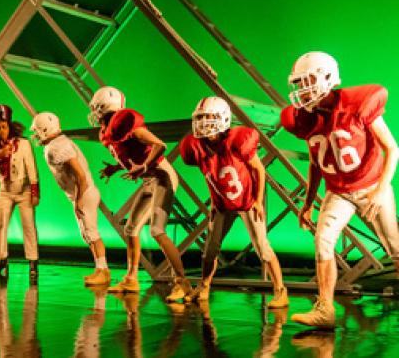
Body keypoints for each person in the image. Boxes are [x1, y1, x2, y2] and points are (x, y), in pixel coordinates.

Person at [281, 51, 399, 329]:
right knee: (322, 241)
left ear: (326, 77)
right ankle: (325, 309)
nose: (301, 89)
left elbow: (392, 148)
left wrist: (381, 190)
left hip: (370, 185)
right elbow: (315, 163)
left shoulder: (357, 104)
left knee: (394, 247)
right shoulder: (305, 119)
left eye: (307, 80)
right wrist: (308, 202)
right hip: (338, 191)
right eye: (298, 83)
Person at [179, 96, 288, 308]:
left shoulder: (237, 140)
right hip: (222, 205)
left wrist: (257, 200)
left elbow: (259, 169)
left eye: (209, 117)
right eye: (201, 118)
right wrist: (213, 202)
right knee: (210, 251)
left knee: (263, 249)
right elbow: (210, 176)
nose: (204, 123)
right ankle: (204, 286)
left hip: (246, 201)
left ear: (223, 118)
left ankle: (280, 290)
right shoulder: (196, 147)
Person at [88, 86, 191, 301]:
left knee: (157, 230)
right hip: (149, 180)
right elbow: (127, 153)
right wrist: (115, 168)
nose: (95, 114)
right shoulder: (110, 130)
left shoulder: (127, 124)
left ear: (103, 108)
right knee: (131, 228)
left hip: (162, 176)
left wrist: (144, 167)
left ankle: (182, 282)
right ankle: (131, 278)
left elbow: (159, 145)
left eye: (97, 109)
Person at [30, 112, 110, 285]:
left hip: (84, 193)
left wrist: (79, 200)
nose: (35, 135)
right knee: (87, 235)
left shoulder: (56, 147)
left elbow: (80, 175)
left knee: (91, 233)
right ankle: (99, 269)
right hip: (82, 193)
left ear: (44, 130)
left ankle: (104, 270)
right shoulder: (57, 143)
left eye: (37, 131)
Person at [0, 104, 40, 279]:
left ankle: (33, 261)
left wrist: (35, 192)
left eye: (4, 127)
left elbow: (32, 168)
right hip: (5, 191)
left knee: (28, 226)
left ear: (10, 126)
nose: (1, 131)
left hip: (23, 190)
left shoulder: (23, 144)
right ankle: (2, 259)